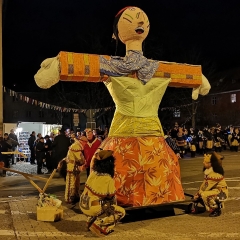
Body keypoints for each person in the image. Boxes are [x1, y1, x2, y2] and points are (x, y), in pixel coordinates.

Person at [34, 6, 211, 207]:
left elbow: (181, 72)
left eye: (142, 20)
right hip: (138, 132)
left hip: (140, 132)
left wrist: (198, 78)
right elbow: (87, 64)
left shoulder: (135, 67)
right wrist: (60, 64)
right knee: (143, 166)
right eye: (131, 20)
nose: (140, 24)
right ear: (117, 32)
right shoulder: (119, 66)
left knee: (134, 166)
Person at [79, 150, 125, 237]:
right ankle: (100, 225)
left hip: (83, 205)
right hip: (93, 207)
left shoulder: (93, 173)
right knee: (119, 211)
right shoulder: (107, 178)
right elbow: (111, 195)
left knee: (98, 201)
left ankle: (89, 221)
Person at [193, 152, 228, 217]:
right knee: (202, 194)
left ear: (210, 164)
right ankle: (212, 206)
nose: (203, 163)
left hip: (221, 194)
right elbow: (204, 184)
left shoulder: (214, 174)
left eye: (205, 162)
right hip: (216, 191)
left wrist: (198, 194)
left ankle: (216, 209)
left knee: (204, 195)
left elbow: (206, 186)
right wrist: (198, 192)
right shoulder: (210, 172)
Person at [58, 136, 87, 204]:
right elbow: (79, 159)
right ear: (82, 141)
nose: (86, 144)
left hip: (75, 167)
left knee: (76, 183)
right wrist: (83, 162)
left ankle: (75, 196)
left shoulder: (77, 146)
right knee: (71, 183)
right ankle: (68, 198)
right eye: (85, 142)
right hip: (71, 167)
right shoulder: (76, 147)